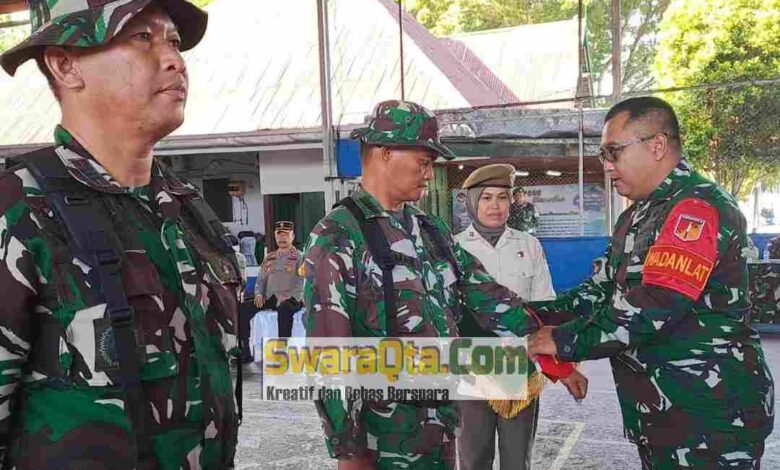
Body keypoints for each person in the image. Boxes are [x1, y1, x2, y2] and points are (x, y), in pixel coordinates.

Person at [0, 1, 243, 469]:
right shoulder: (19, 210)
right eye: (141, 38)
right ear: (66, 64)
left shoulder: (188, 208)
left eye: (173, 40)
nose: (174, 58)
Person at [302, 100, 587, 470]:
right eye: (423, 161)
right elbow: (329, 352)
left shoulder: (429, 229)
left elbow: (488, 297)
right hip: (383, 442)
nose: (429, 171)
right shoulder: (338, 235)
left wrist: (555, 351)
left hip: (439, 428)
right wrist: (348, 451)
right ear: (385, 154)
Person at [528, 96, 774, 469]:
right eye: (602, 155)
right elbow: (602, 291)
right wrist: (528, 312)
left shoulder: (695, 208)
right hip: (664, 412)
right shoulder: (636, 217)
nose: (607, 166)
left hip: (709, 415)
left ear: (657, 145)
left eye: (614, 152)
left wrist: (562, 340)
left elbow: (655, 304)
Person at [455, 164, 568, 470]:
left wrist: (550, 360)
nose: (495, 205)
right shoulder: (453, 248)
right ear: (472, 202)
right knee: (474, 456)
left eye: (502, 197)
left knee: (518, 459)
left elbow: (545, 305)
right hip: (472, 365)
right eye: (487, 197)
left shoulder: (529, 245)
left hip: (521, 365)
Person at [253, 221, 304, 338]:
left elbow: (303, 281)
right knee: (244, 308)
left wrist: (291, 296)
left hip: (291, 299)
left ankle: (283, 348)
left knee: (284, 309)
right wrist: (259, 294)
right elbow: (261, 280)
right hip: (271, 297)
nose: (282, 238)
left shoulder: (300, 257)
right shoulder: (269, 257)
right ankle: (245, 351)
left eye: (286, 234)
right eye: (279, 235)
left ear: (293, 236)